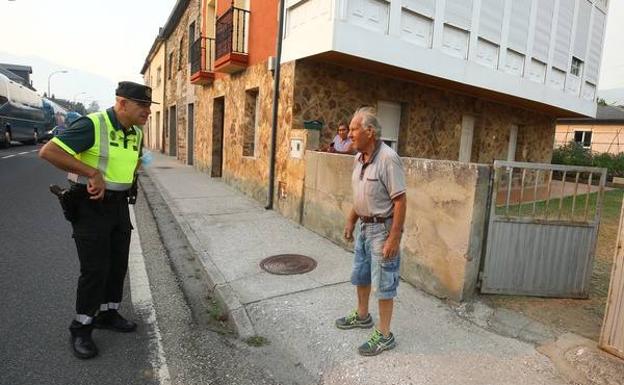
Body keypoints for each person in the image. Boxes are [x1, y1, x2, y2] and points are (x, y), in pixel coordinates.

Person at [39, 81, 156, 359]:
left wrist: (137, 172)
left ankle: (108, 313)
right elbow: (49, 152)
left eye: (150, 107)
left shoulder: (135, 132)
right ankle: (81, 327)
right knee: (95, 269)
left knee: (117, 264)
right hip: (90, 205)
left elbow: (136, 160)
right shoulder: (93, 124)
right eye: (143, 106)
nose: (148, 111)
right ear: (122, 103)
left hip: (118, 206)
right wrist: (92, 172)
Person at [335, 106, 407, 356]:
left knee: (384, 283)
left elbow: (400, 201)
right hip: (364, 227)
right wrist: (350, 221)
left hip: (382, 231)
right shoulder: (359, 158)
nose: (349, 133)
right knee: (361, 275)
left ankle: (385, 335)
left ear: (370, 132)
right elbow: (360, 195)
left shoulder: (388, 158)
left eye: (354, 129)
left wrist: (394, 237)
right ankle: (363, 316)